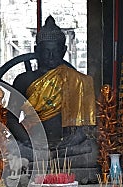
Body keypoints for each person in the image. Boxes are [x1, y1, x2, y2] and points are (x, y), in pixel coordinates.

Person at [12, 15, 96, 163]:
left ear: (64, 50)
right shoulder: (24, 80)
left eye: (55, 51)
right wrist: (29, 141)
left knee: (93, 152)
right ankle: (50, 158)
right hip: (33, 146)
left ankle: (53, 157)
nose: (51, 56)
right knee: (11, 148)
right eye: (46, 51)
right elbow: (10, 117)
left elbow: (87, 126)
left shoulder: (79, 81)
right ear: (37, 50)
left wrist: (72, 141)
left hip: (68, 146)